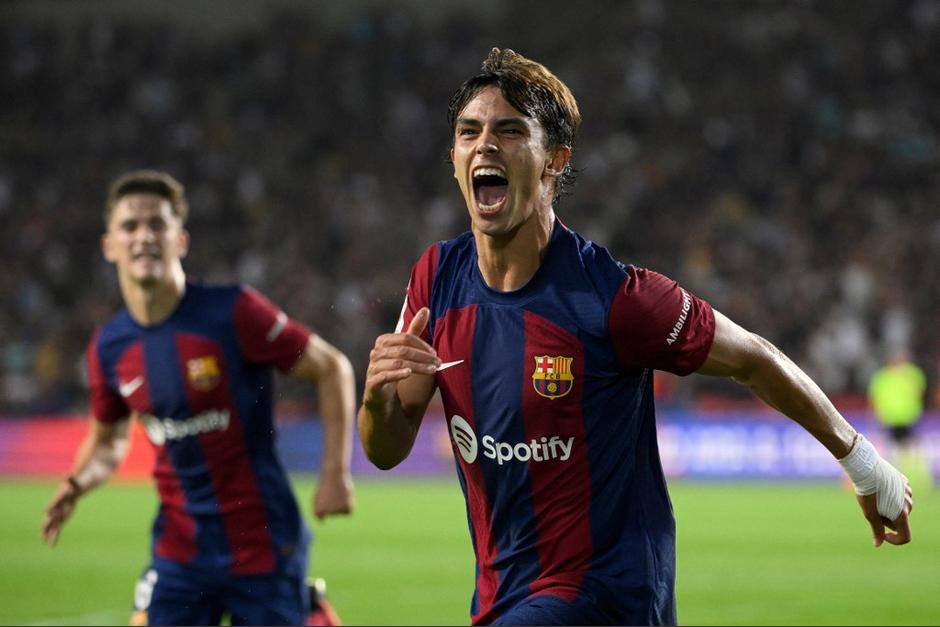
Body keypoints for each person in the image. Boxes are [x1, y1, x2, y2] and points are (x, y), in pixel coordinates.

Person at [358, 49, 914, 626]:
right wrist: (376, 399)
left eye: (510, 131)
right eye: (469, 132)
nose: (485, 146)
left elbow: (755, 358)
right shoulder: (437, 278)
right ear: (454, 158)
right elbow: (385, 449)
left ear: (555, 160)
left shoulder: (616, 298)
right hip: (502, 598)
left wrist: (864, 463)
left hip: (606, 597)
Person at [41, 170, 355, 626]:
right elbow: (108, 442)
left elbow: (332, 367)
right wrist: (76, 484)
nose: (144, 236)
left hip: (263, 544)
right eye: (130, 226)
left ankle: (307, 609)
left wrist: (334, 475)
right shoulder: (109, 347)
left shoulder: (234, 311)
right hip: (180, 553)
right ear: (110, 246)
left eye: (157, 224)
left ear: (181, 240)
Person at [868, 348, 931, 490]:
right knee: (894, 450)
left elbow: (920, 391)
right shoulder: (882, 376)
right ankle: (898, 479)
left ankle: (919, 479)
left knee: (911, 448)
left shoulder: (912, 373)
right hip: (891, 418)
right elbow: (875, 397)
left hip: (909, 417)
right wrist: (876, 414)